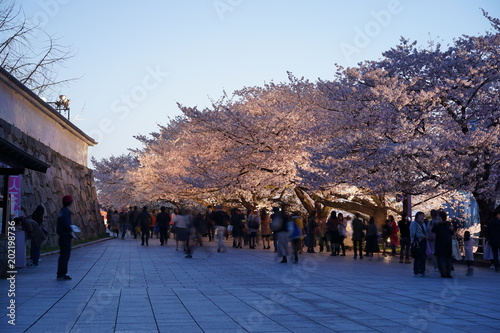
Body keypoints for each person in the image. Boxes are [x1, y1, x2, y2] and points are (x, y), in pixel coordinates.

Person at [432, 211, 454, 278]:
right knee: (440, 259)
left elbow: (452, 233)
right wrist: (436, 224)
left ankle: (448, 273)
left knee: (448, 259)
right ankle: (442, 272)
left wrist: (452, 230)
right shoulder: (436, 224)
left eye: (439, 216)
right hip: (439, 243)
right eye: (437, 216)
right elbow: (433, 231)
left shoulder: (448, 224)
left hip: (447, 243)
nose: (437, 217)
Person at [57, 195, 74, 280]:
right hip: (65, 236)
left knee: (62, 255)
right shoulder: (66, 211)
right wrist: (71, 229)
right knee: (65, 255)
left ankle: (60, 273)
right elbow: (67, 224)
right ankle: (62, 273)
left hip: (61, 235)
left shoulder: (61, 211)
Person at [410, 211, 428, 277]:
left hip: (423, 241)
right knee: (418, 257)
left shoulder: (423, 224)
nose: (422, 217)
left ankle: (422, 271)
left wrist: (426, 236)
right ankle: (416, 271)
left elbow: (426, 231)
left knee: (423, 256)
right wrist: (420, 236)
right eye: (420, 216)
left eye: (423, 216)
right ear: (417, 216)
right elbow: (412, 233)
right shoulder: (414, 223)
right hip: (417, 242)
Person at [485, 205, 500, 272]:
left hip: (492, 240)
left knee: (495, 254)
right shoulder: (499, 222)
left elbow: (487, 231)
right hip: (499, 239)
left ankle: (496, 267)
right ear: (497, 215)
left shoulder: (490, 222)